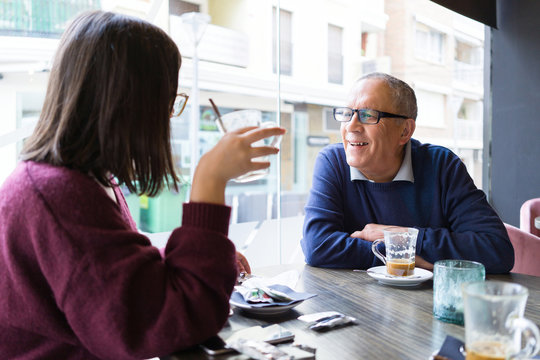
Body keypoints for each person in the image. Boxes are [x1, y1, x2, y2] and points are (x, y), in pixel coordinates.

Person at [0, 11, 285, 359]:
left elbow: (108, 273)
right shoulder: (59, 194)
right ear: (129, 102)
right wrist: (209, 180)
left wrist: (199, 257)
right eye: (166, 101)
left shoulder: (80, 180)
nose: (166, 117)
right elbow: (173, 323)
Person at [301, 72, 514, 274]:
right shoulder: (333, 162)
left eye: (368, 115)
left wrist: (401, 237)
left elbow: (496, 249)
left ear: (404, 131)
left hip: (426, 307)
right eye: (347, 114)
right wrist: (403, 255)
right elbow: (317, 246)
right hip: (353, 302)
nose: (351, 126)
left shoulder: (441, 165)